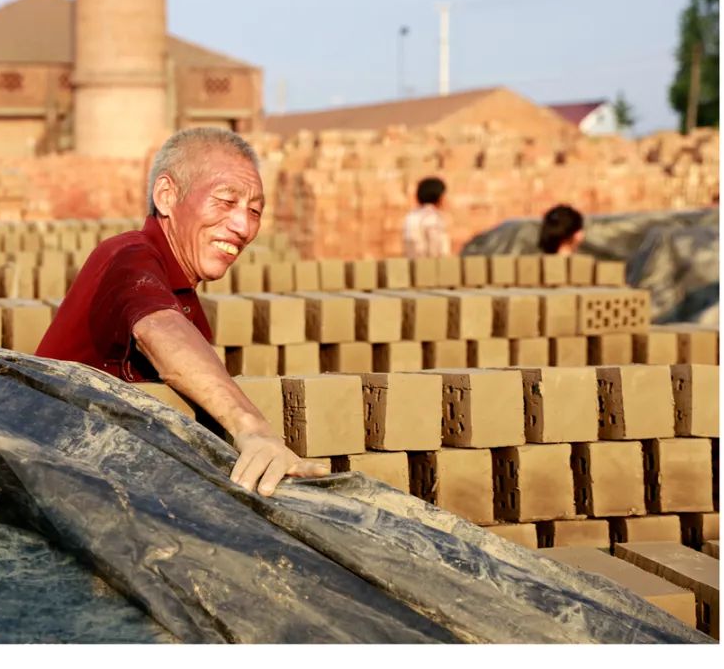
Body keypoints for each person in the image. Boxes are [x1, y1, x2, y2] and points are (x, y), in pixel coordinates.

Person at [36, 127, 329, 497]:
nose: (244, 227)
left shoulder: (185, 300)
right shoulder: (129, 256)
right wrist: (252, 429)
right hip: (58, 483)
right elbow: (159, 331)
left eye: (254, 211)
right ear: (166, 196)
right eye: (225, 202)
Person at [402, 176, 451, 258]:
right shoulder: (433, 218)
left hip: (412, 265)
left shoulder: (410, 217)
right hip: (430, 266)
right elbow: (437, 249)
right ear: (439, 197)